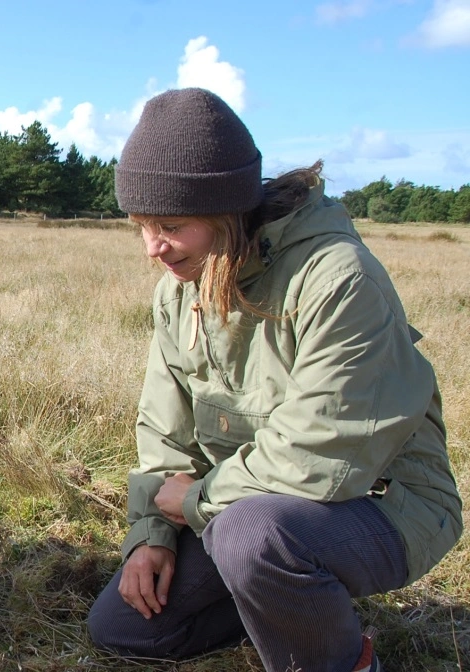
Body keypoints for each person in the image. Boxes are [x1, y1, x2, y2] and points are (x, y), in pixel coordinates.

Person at [86, 88, 461, 672]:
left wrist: (202, 499)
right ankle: (286, 596)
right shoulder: (177, 292)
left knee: (252, 538)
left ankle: (345, 661)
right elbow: (164, 430)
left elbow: (323, 450)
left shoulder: (336, 279)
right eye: (141, 226)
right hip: (243, 511)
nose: (152, 248)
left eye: (171, 225)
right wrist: (152, 534)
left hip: (384, 505)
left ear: (225, 212)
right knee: (125, 626)